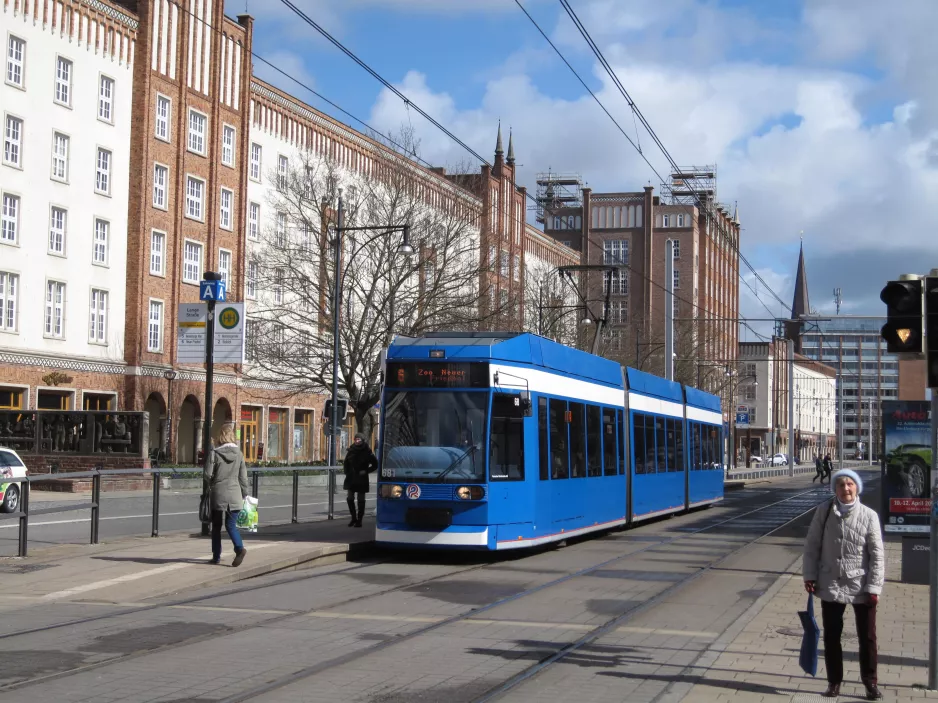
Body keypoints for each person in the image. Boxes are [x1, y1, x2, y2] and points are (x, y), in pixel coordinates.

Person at [803, 468, 884, 700]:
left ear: (857, 487)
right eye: (841, 484)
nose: (846, 488)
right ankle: (834, 682)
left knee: (867, 637)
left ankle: (870, 683)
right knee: (831, 636)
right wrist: (809, 575)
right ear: (835, 489)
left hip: (861, 583)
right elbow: (811, 546)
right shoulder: (824, 511)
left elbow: (877, 554)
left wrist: (874, 587)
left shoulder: (869, 515)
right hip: (830, 582)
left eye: (850, 484)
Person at [204, 423, 249, 566]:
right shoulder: (239, 454)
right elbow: (243, 477)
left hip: (218, 494)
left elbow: (207, 474)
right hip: (235, 494)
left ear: (220, 436)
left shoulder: (214, 453)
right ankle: (239, 548)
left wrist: (212, 482)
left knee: (216, 527)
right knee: (231, 525)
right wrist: (245, 493)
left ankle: (216, 556)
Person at [343, 433, 377, 527]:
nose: (357, 441)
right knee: (350, 498)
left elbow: (375, 465)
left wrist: (366, 471)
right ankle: (353, 518)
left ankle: (359, 520)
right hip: (351, 478)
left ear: (362, 441)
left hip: (361, 478)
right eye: (355, 439)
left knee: (361, 499)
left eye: (359, 440)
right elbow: (346, 463)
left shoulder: (367, 451)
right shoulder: (351, 450)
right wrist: (347, 472)